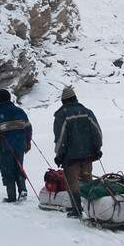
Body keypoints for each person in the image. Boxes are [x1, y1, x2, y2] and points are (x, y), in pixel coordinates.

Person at [52, 86, 103, 218]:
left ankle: (77, 209)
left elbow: (60, 138)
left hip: (71, 156)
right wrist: (97, 148)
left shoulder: (61, 115)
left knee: (72, 182)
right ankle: (92, 208)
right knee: (87, 179)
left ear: (63, 101)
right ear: (75, 98)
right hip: (88, 154)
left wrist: (59, 155)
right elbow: (97, 132)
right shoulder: (87, 112)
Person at [0, 89, 33, 203]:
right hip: (20, 145)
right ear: (9, 98)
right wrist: (28, 141)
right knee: (19, 167)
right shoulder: (20, 111)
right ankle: (23, 190)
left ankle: (11, 196)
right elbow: (28, 128)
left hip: (5, 147)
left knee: (7, 170)